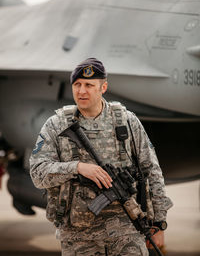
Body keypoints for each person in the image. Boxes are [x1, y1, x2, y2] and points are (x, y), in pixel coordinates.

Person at [30, 57, 173, 256]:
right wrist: (77, 167)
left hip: (127, 231)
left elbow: (152, 171)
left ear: (103, 87)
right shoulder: (56, 125)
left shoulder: (127, 122)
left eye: (89, 85)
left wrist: (159, 223)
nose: (81, 91)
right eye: (77, 84)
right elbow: (37, 173)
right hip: (78, 237)